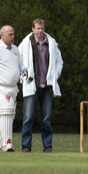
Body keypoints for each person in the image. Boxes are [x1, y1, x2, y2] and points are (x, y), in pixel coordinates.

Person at [18, 19, 63, 153]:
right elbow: (18, 60)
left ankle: (47, 146)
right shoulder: (26, 43)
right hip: (31, 85)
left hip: (47, 86)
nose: (40, 31)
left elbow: (60, 61)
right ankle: (26, 146)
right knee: (28, 118)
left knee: (47, 118)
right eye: (37, 28)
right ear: (33, 29)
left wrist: (56, 74)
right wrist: (24, 73)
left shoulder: (52, 43)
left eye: (42, 28)